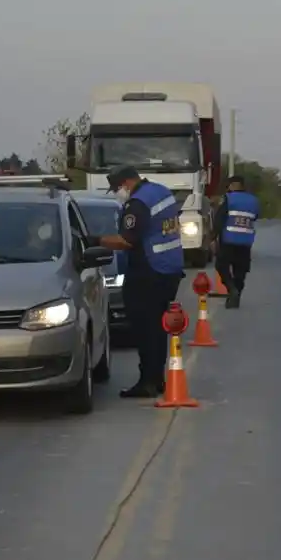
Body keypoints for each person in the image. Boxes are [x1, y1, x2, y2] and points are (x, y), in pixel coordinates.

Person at [90, 165, 185, 398]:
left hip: (149, 271)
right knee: (157, 328)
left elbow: (126, 241)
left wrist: (94, 240)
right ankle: (157, 378)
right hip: (170, 268)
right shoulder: (161, 191)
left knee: (145, 330)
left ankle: (148, 382)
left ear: (126, 183)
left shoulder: (138, 204)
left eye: (118, 188)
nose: (118, 193)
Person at [211, 175, 260, 309]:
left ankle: (232, 289)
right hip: (246, 241)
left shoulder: (228, 199)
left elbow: (219, 220)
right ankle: (235, 297)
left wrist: (212, 238)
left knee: (222, 266)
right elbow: (255, 217)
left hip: (228, 240)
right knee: (241, 271)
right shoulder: (254, 201)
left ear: (231, 186)